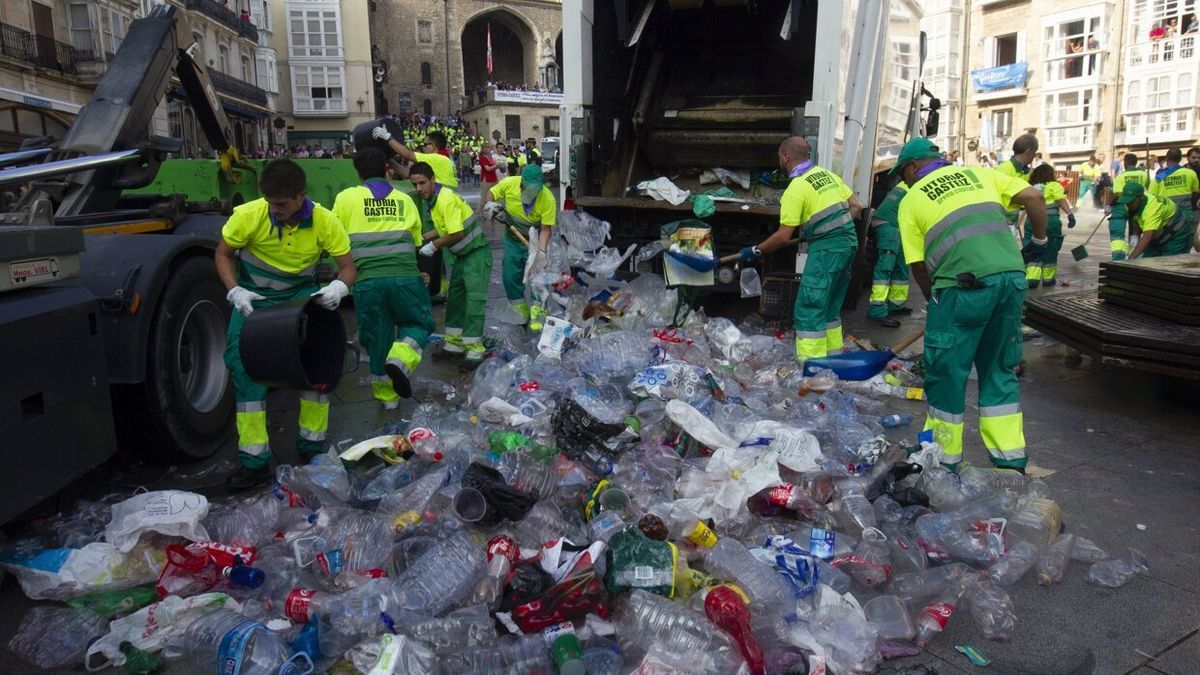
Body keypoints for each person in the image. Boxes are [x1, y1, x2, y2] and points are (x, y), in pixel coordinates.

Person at [893, 137, 1048, 472]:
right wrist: (1039, 241)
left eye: (902, 175)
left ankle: (942, 462)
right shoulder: (982, 175)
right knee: (998, 369)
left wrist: (936, 303)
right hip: (1010, 280)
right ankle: (1010, 464)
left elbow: (919, 265)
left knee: (947, 373)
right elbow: (1035, 197)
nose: (904, 182)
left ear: (911, 168)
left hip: (960, 288)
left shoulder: (912, 199)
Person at [215, 159, 356, 488]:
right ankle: (254, 462)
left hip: (302, 303)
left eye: (280, 204)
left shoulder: (325, 220)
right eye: (269, 202)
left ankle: (311, 449)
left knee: (317, 374)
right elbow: (222, 254)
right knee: (245, 373)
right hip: (255, 304)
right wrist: (235, 290)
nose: (274, 209)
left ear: (300, 196)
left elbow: (348, 266)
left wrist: (339, 286)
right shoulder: (248, 216)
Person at [740, 137, 862, 361]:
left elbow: (784, 235)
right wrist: (833, 227)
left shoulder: (796, 188)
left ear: (786, 157)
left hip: (827, 250)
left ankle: (811, 369)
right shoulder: (827, 175)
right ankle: (833, 360)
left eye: (780, 157)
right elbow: (856, 206)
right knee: (829, 307)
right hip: (848, 244)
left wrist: (757, 250)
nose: (780, 161)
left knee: (809, 306)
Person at [332, 148, 434, 409]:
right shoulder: (405, 200)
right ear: (388, 169)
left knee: (377, 338)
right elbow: (416, 242)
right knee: (418, 324)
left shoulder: (346, 199)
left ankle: (388, 400)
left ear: (358, 172)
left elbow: (336, 242)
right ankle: (401, 357)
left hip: (366, 282)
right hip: (405, 278)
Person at [410, 162, 492, 370]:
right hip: (463, 257)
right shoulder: (434, 200)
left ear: (432, 181)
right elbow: (443, 227)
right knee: (455, 300)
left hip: (476, 255)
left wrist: (433, 246)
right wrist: (421, 238)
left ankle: (475, 349)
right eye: (415, 184)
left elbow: (456, 233)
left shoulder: (444, 199)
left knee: (473, 301)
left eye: (422, 183)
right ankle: (454, 344)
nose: (419, 189)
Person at [485, 164, 556, 331]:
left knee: (537, 278)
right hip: (513, 240)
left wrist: (542, 252)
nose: (533, 191)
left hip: (536, 241)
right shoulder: (509, 183)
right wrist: (490, 204)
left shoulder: (547, 199)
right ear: (522, 182)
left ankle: (538, 313)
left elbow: (546, 229)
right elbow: (492, 193)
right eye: (529, 187)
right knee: (510, 276)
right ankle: (520, 311)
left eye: (536, 188)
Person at [866, 180, 911, 327]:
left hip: (896, 223)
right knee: (886, 266)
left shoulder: (913, 180)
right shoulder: (920, 183)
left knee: (902, 264)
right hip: (888, 224)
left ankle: (896, 305)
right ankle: (877, 310)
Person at [1024, 164, 1075, 288]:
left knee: (1032, 247)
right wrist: (1070, 214)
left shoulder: (1030, 187)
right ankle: (1048, 279)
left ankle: (1032, 278)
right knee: (1051, 248)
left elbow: (1024, 205)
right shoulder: (1054, 185)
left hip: (1032, 220)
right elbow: (1061, 200)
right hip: (1050, 222)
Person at [1117, 182, 1197, 258]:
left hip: (1177, 234)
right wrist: (1132, 247)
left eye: (1131, 201)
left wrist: (1131, 258)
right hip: (1159, 232)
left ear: (1140, 197)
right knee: (1148, 261)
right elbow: (1136, 224)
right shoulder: (1130, 204)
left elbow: (1147, 237)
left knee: (1171, 264)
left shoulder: (1152, 209)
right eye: (1126, 201)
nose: (1128, 204)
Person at [371, 125, 458, 188]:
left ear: (433, 146)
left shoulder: (436, 158)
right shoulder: (444, 159)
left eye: (425, 144)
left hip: (446, 203)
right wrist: (388, 159)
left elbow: (407, 154)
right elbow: (408, 173)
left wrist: (387, 137)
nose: (423, 147)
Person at [1103, 154, 1152, 260]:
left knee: (1117, 234)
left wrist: (1108, 205)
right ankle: (1133, 255)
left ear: (1125, 163)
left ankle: (1118, 257)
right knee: (1135, 232)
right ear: (1136, 162)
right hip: (1137, 206)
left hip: (1121, 207)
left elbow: (1116, 194)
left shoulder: (1121, 177)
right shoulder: (1144, 175)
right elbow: (1149, 190)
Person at [1149, 147, 1199, 244]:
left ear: (1166, 159)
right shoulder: (1190, 173)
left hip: (1167, 215)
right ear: (1180, 159)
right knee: (1186, 238)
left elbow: (1152, 196)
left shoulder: (1159, 177)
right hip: (1186, 213)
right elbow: (1195, 190)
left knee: (1168, 240)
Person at [996, 134, 1038, 232]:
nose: (1034, 156)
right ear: (1028, 151)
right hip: (1001, 223)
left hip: (1011, 221)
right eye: (1034, 152)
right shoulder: (1004, 169)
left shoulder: (1025, 171)